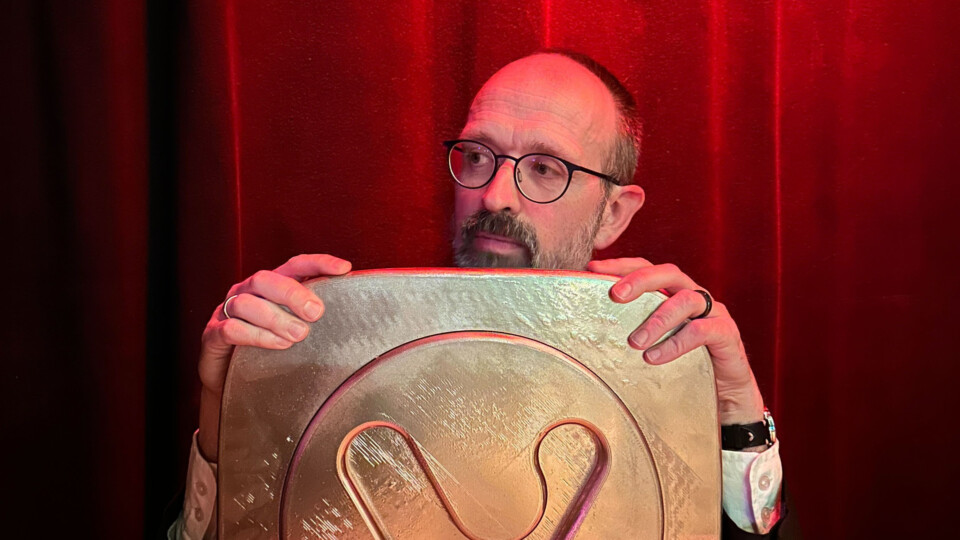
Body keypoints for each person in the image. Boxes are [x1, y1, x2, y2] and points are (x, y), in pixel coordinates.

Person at [169, 50, 791, 539]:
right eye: (477, 155)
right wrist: (230, 411)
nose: (494, 194)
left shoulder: (661, 376)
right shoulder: (340, 362)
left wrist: (737, 411)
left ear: (613, 216)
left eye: (546, 168)